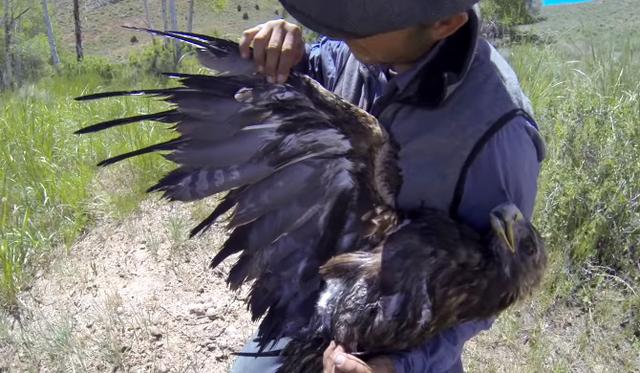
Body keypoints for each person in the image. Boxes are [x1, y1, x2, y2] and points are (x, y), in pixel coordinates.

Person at [231, 1, 546, 372]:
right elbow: (322, 67)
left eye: (363, 20)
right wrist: (287, 55)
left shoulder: (497, 140)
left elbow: (487, 297)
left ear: (444, 23)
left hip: (397, 347)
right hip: (318, 302)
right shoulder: (367, 46)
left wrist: (397, 365)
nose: (344, 25)